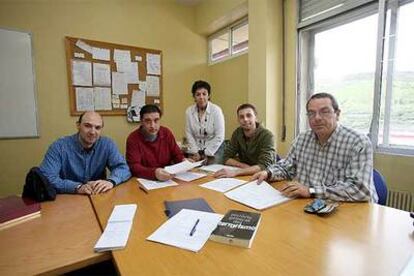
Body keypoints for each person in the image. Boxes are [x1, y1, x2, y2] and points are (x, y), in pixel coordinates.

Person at [253, 92, 378, 202]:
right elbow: (287, 167)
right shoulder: (302, 139)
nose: (317, 118)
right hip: (313, 206)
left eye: (324, 111)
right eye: (311, 113)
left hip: (351, 212)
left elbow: (360, 190)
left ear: (337, 114)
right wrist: (268, 173)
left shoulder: (358, 142)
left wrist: (311, 191)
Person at [39, 111, 131, 195]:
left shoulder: (107, 144)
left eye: (97, 128)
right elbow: (47, 177)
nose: (92, 132)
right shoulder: (59, 147)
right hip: (68, 197)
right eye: (87, 126)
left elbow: (123, 168)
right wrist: (78, 187)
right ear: (78, 125)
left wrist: (111, 181)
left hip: (97, 195)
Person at [214, 103, 277, 178]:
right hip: (246, 174)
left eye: (249, 115)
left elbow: (264, 166)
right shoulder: (237, 133)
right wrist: (243, 166)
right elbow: (226, 157)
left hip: (266, 176)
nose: (245, 119)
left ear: (255, 117)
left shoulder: (268, 136)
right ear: (238, 120)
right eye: (241, 117)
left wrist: (235, 172)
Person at [126, 104, 185, 181]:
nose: (153, 126)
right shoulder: (133, 138)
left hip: (167, 179)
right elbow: (133, 166)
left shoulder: (166, 133)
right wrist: (154, 173)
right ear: (141, 121)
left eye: (156, 120)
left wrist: (184, 161)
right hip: (144, 181)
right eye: (148, 121)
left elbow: (176, 154)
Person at [185, 80, 225, 163]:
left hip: (214, 149)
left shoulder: (216, 110)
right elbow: (189, 133)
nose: (201, 97)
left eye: (204, 94)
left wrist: (206, 153)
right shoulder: (189, 111)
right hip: (196, 149)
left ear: (209, 95)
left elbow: (219, 136)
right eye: (198, 94)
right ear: (194, 97)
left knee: (210, 170)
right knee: (191, 168)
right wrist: (195, 151)